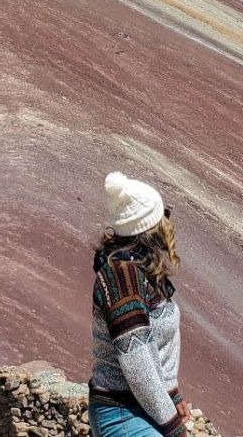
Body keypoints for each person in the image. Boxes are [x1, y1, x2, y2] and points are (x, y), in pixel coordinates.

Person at [88, 171, 190, 437]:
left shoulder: (138, 271)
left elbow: (157, 345)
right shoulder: (121, 277)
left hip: (140, 410)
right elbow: (136, 359)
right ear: (150, 228)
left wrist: (172, 395)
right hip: (123, 413)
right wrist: (173, 427)